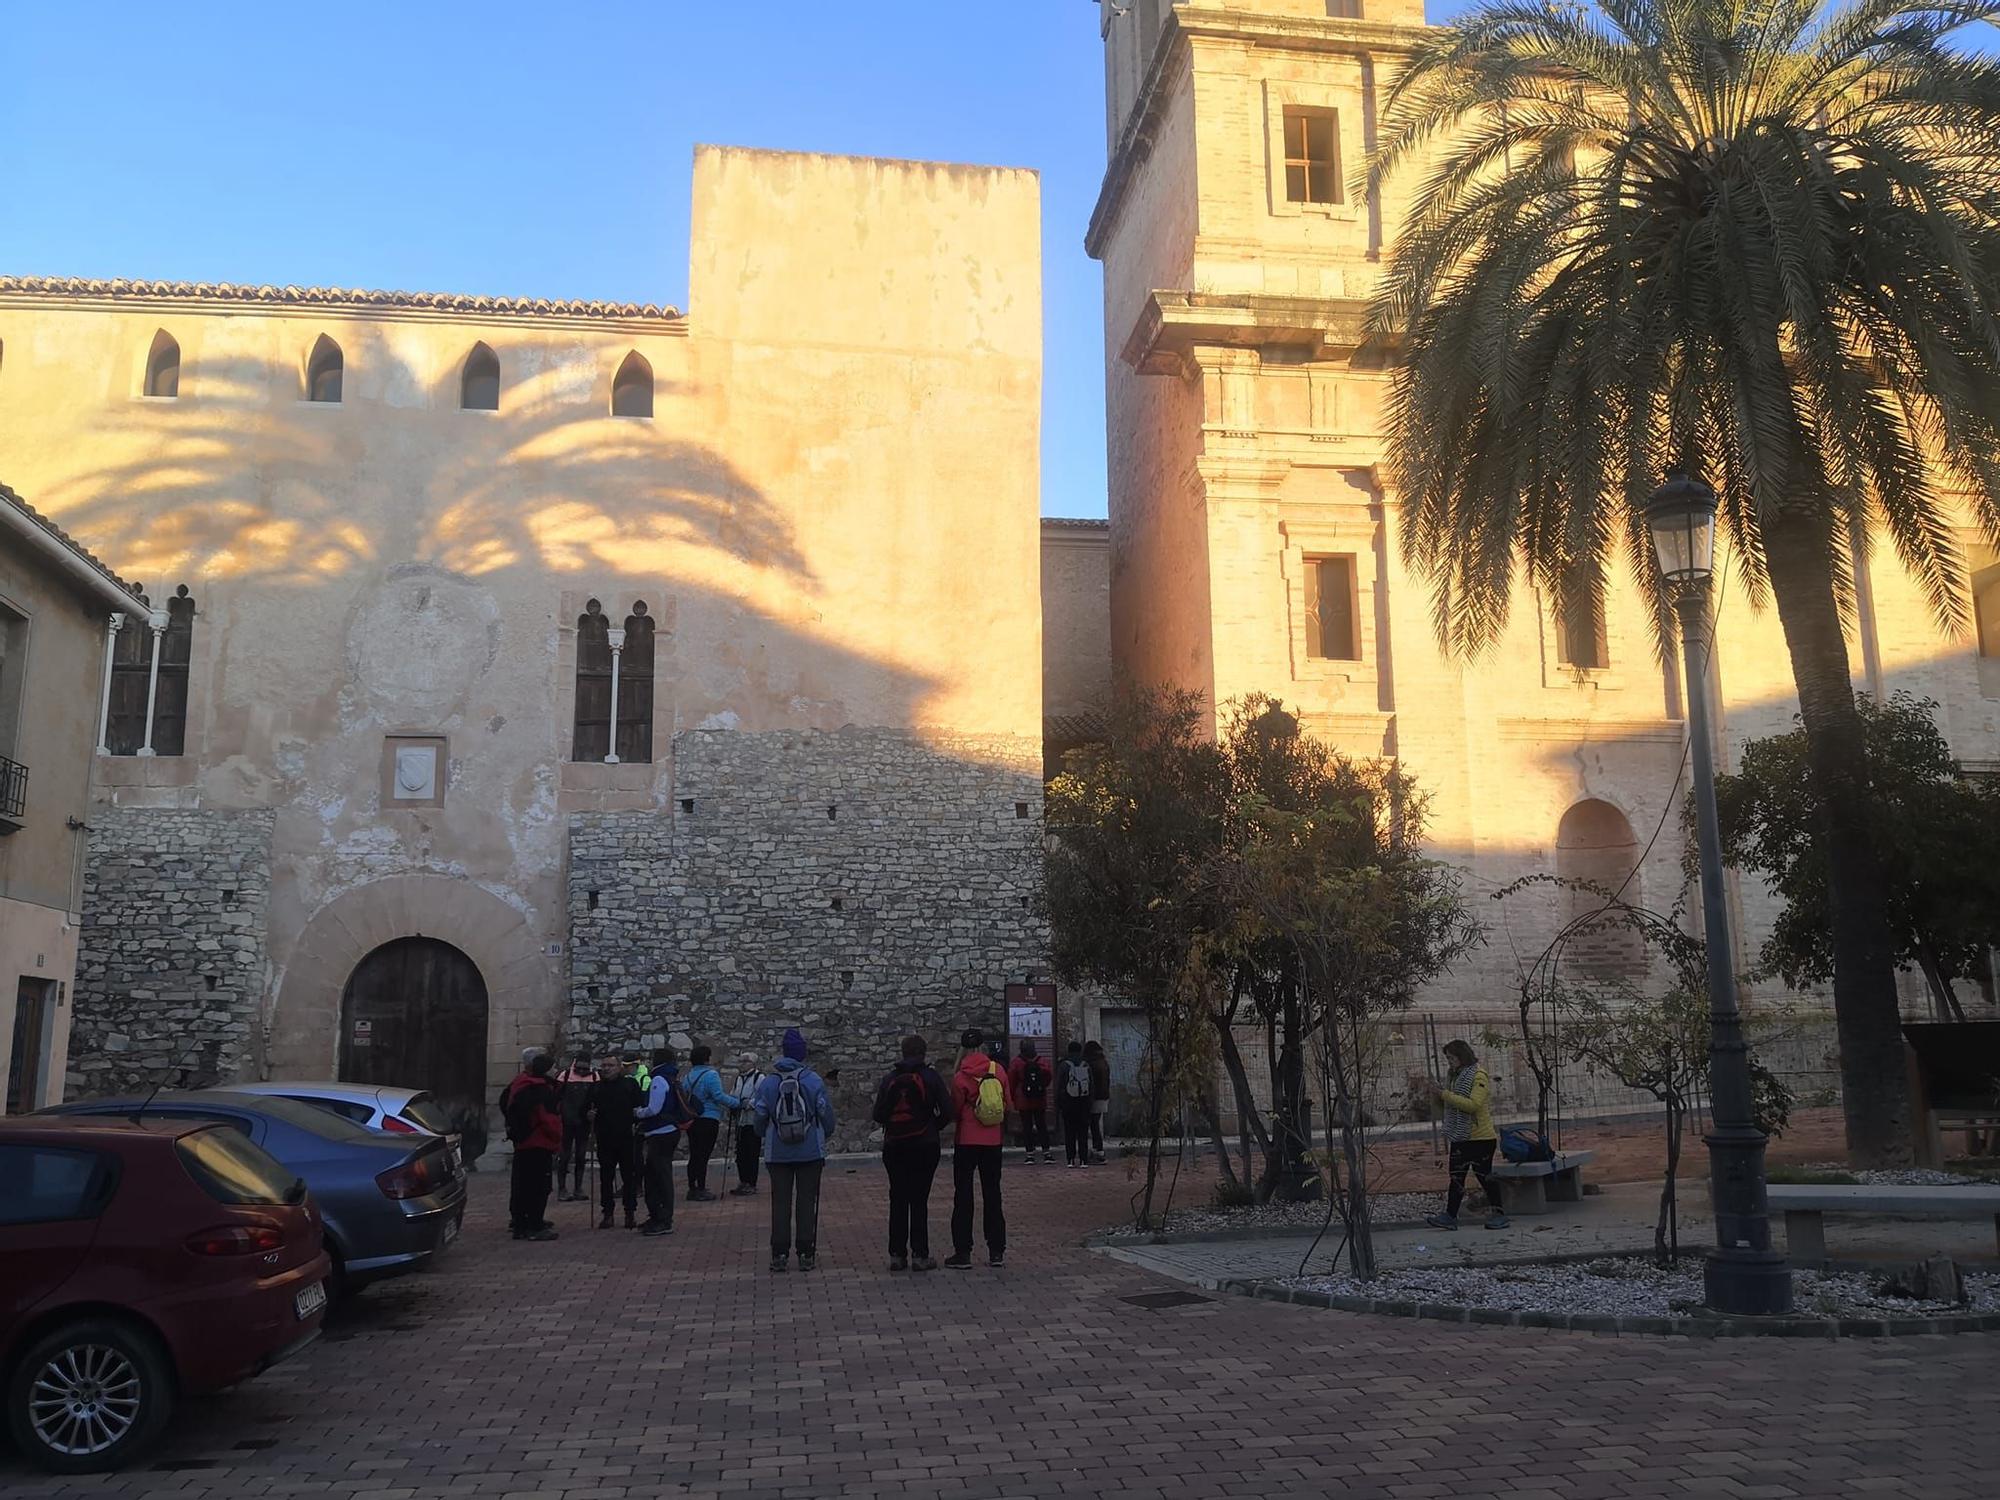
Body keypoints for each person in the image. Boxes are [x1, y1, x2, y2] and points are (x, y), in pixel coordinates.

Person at [750, 1028, 835, 1272]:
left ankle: (779, 1253)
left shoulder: (769, 1082)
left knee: (780, 1201)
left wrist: (764, 1134)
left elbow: (760, 1118)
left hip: (778, 1153)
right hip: (810, 1152)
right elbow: (826, 1116)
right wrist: (822, 1134)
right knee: (807, 1201)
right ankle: (806, 1252)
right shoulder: (813, 1080)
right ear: (803, 1054)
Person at [872, 1034, 951, 1271]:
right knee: (919, 1198)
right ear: (924, 1053)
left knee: (897, 1197)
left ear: (902, 1052)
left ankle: (897, 1254)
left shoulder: (890, 1079)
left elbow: (878, 1114)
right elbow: (947, 1111)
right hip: (925, 1144)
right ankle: (920, 1254)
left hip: (895, 1145)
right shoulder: (931, 1077)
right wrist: (931, 1127)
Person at [1425, 1039, 1510, 1232]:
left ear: (1462, 1056)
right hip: (1460, 1135)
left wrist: (1444, 1094)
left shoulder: (1478, 1075)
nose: (1450, 1062)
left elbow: (1473, 1105)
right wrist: (1438, 1095)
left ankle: (1500, 1213)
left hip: (1480, 1137)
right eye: (1447, 1058)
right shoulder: (1454, 1076)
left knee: (1484, 1176)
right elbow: (1451, 1103)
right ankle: (1450, 1216)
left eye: (1452, 1058)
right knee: (1456, 1177)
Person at [946, 1027, 1008, 1269]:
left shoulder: (960, 1076)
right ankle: (996, 1250)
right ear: (983, 1046)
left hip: (967, 1140)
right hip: (993, 1139)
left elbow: (955, 1111)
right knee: (993, 1193)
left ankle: (963, 1251)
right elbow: (1008, 1103)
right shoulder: (998, 1070)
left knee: (963, 1195)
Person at [633, 1046, 691, 1237]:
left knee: (658, 1176)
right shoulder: (672, 1077)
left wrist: (638, 1113)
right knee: (658, 1175)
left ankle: (663, 1218)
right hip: (668, 1131)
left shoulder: (658, 1078)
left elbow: (654, 1108)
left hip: (660, 1132)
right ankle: (658, 1215)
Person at [503, 1054, 562, 1241]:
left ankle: (520, 1224)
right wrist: (558, 1138)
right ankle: (535, 1226)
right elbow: (548, 1119)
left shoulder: (521, 1084)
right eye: (553, 1068)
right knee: (539, 1186)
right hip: (538, 1142)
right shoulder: (541, 1090)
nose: (556, 1071)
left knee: (522, 1184)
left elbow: (506, 1102)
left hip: (522, 1142)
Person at [587, 1054, 644, 1229]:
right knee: (606, 1177)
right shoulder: (595, 1088)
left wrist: (637, 1125)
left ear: (619, 1067)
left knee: (629, 1176)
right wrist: (589, 1116)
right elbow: (586, 1109)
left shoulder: (630, 1084)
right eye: (603, 1065)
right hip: (605, 1138)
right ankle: (608, 1213)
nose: (606, 1068)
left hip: (626, 1137)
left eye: (610, 1065)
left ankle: (630, 1212)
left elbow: (639, 1106)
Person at [682, 1044, 739, 1201]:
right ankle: (700, 1188)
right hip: (708, 1117)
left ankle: (692, 1187)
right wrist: (736, 1103)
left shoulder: (687, 1076)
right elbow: (718, 1096)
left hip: (693, 1119)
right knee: (703, 1155)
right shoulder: (711, 1075)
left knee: (694, 1154)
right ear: (707, 1058)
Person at [555, 1052, 598, 1201]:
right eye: (578, 1068)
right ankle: (562, 1188)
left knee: (581, 1155)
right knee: (564, 1156)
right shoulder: (565, 1076)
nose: (581, 1072)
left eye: (584, 1069)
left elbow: (597, 1098)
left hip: (583, 1123)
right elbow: (556, 1098)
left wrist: (594, 1112)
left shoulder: (594, 1077)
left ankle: (578, 1188)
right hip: (566, 1122)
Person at [1008, 1040, 1054, 1164]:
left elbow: (1011, 1081)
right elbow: (1048, 1077)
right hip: (1039, 1098)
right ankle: (1046, 1152)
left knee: (1027, 1126)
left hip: (1023, 1099)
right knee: (1041, 1125)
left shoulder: (1016, 1063)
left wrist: (1012, 1098)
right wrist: (1041, 1087)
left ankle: (1030, 1154)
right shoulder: (1042, 1061)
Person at [730, 1052, 766, 1195]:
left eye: (746, 1061)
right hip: (740, 1121)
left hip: (752, 1121)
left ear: (753, 1063)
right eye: (741, 1061)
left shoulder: (759, 1078)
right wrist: (734, 1103)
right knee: (741, 1153)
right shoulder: (738, 1079)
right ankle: (742, 1181)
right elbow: (733, 1094)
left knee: (752, 1152)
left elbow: (762, 1097)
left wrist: (749, 1104)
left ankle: (751, 1182)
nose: (742, 1064)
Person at [1056, 1040, 1093, 1168]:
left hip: (1068, 1104)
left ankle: (1070, 1159)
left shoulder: (1064, 1066)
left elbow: (1059, 1085)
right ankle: (1083, 1160)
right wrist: (1089, 1103)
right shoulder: (1086, 1065)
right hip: (1083, 1103)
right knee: (1083, 1133)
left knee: (1069, 1133)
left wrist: (1059, 1103)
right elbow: (1091, 1086)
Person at [1084, 1039, 1111, 1164]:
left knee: (1093, 1125)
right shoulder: (1103, 1062)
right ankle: (1097, 1150)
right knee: (1095, 1124)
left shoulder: (1091, 1063)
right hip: (1104, 1097)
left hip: (1094, 1098)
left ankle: (1098, 1151)